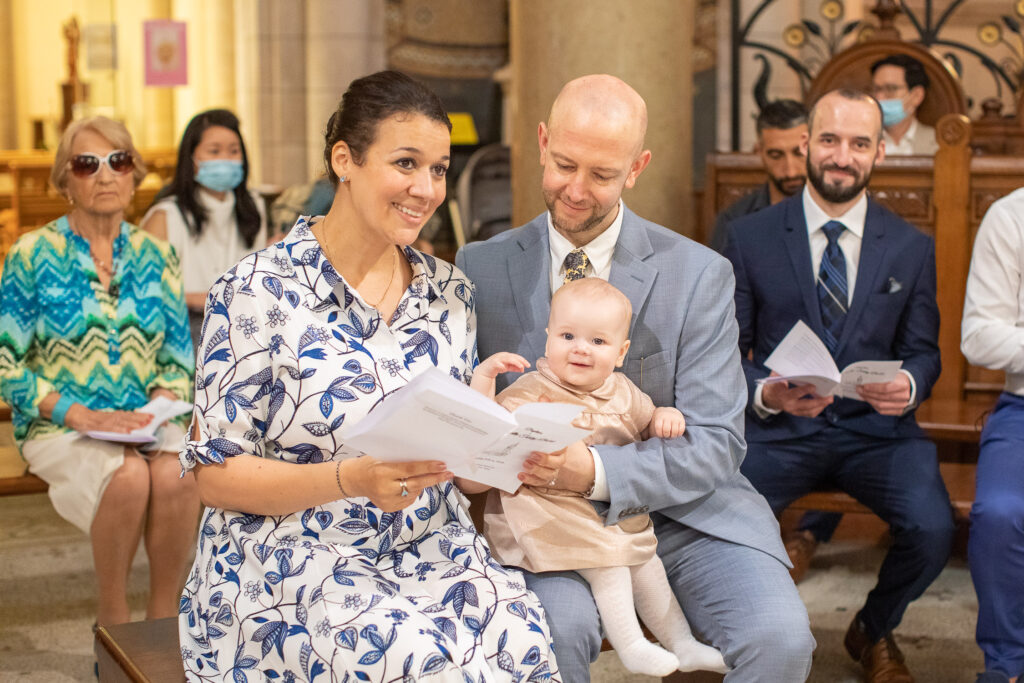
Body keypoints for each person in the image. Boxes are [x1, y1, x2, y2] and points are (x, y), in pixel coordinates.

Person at [177, 70, 561, 682]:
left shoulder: (449, 292)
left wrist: (483, 438)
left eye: (438, 169)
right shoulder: (253, 292)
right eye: (405, 163)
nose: (426, 188)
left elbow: (453, 479)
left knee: (522, 643)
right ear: (344, 160)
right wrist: (351, 479)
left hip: (433, 547)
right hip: (292, 557)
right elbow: (216, 476)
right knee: (416, 664)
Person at [457, 74, 814, 682]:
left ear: (637, 167)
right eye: (564, 164)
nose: (575, 190)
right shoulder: (480, 266)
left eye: (601, 175)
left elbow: (718, 443)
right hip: (546, 525)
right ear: (541, 143)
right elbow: (466, 420)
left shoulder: (699, 273)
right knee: (551, 634)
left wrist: (594, 472)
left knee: (780, 641)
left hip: (685, 513)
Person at [724, 88, 954, 682]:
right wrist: (765, 393)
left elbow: (924, 353)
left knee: (933, 528)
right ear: (806, 144)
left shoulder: (910, 246)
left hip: (877, 434)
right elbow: (725, 353)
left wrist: (908, 383)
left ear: (879, 151)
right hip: (780, 430)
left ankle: (873, 628)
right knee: (715, 512)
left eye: (858, 143)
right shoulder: (751, 238)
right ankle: (750, 635)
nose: (842, 156)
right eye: (829, 140)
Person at [466, 278, 728, 677]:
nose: (580, 348)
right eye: (568, 335)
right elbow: (484, 434)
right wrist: (485, 380)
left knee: (645, 560)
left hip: (603, 511)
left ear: (620, 353)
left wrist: (663, 417)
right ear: (548, 337)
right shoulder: (531, 391)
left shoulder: (621, 391)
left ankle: (682, 644)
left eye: (598, 342)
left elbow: (646, 420)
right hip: (544, 515)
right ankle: (632, 645)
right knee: (611, 560)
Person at [0, 116, 198, 630]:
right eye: (88, 164)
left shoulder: (159, 256)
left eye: (120, 161)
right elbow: (5, 362)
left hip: (142, 419)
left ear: (134, 177)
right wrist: (81, 412)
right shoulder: (31, 255)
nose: (106, 175)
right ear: (66, 181)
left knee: (179, 472)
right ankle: (112, 623)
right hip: (61, 423)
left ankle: (161, 622)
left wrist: (154, 405)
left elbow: (179, 357)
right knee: (128, 476)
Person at [961, 188, 1024, 683]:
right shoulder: (1010, 216)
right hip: (1022, 408)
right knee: (999, 514)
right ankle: (1005, 666)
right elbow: (979, 334)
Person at [141, 109, 267, 345]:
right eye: (214, 151)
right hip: (183, 328)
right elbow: (144, 292)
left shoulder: (253, 207)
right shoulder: (166, 215)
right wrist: (198, 298)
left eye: (234, 151)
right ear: (192, 159)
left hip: (243, 325)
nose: (227, 159)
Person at [709, 98, 808, 253]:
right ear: (759, 151)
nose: (791, 171)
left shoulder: (834, 212)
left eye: (799, 153)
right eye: (776, 155)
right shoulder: (735, 220)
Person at [871, 54, 938, 156]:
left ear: (917, 95)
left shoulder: (938, 143)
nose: (879, 98)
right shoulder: (860, 141)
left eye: (890, 89)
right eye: (877, 89)